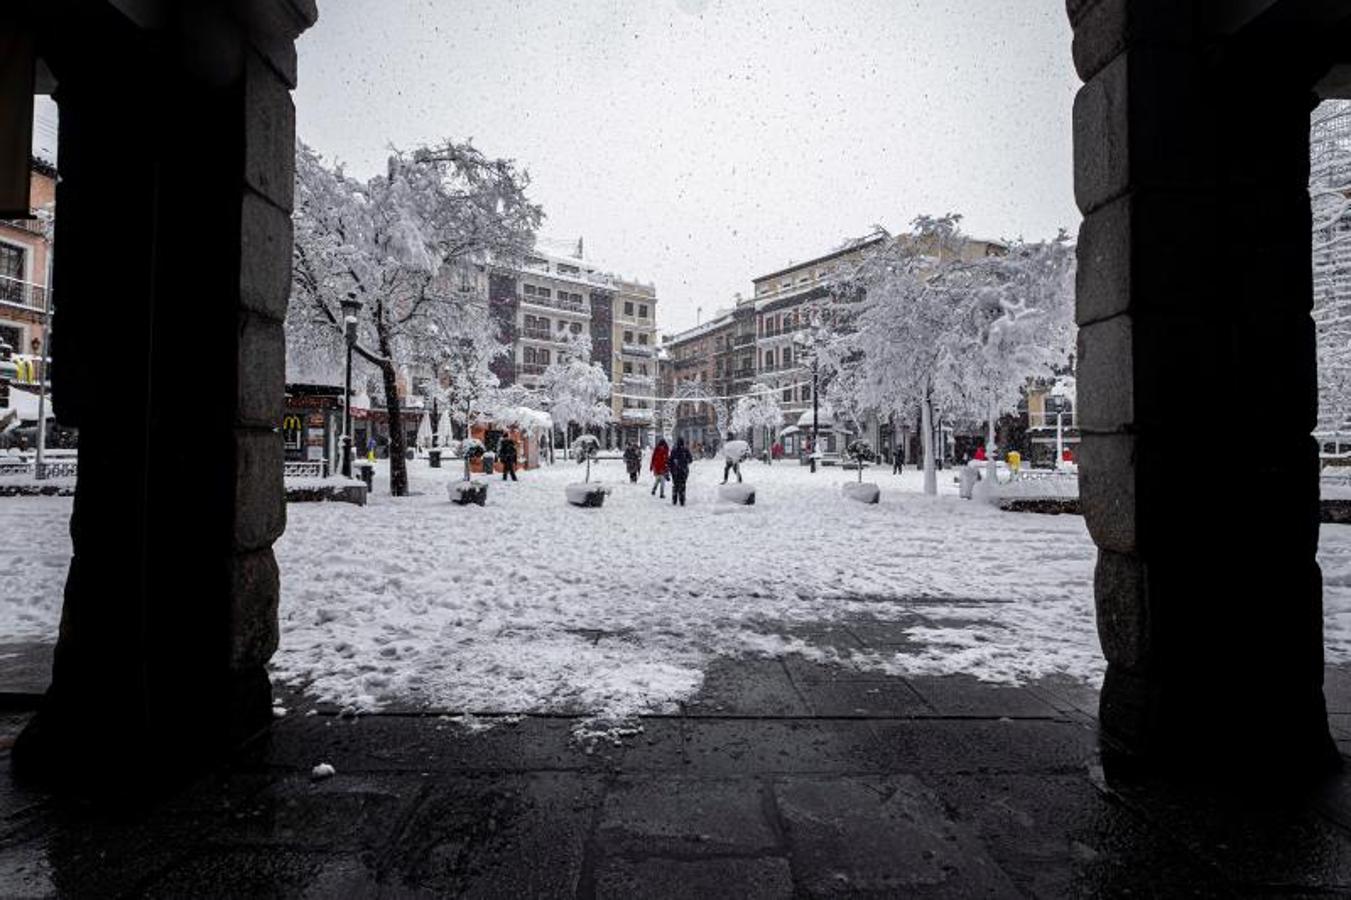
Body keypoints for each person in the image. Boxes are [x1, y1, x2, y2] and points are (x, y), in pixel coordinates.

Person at [669, 436, 693, 506]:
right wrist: (685, 461)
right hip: (683, 471)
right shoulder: (685, 450)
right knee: (682, 485)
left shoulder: (674, 450)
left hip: (675, 471)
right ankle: (682, 500)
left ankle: (674, 499)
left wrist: (671, 469)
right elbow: (690, 459)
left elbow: (670, 461)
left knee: (675, 485)